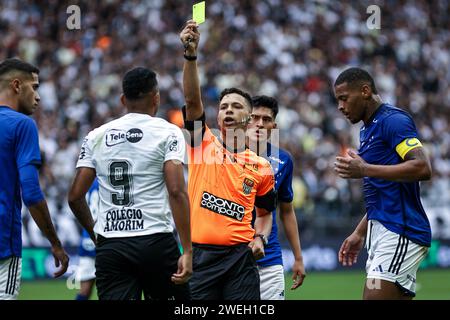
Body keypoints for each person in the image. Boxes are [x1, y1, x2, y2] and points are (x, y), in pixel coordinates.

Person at [68, 67, 192, 300]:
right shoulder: (168, 132)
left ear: (123, 99)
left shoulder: (97, 135)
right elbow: (176, 191)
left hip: (112, 245)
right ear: (156, 98)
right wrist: (187, 249)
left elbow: (74, 196)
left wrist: (96, 233)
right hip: (155, 240)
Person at [180, 21, 276, 300]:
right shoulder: (201, 143)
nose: (229, 111)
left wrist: (260, 238)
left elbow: (266, 214)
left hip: (240, 261)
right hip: (201, 258)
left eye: (236, 106)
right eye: (224, 107)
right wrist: (190, 56)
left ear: (248, 117)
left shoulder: (262, 167)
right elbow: (191, 99)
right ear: (218, 117)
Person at [333, 67, 432, 300]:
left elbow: (422, 167)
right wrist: (359, 232)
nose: (340, 106)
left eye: (344, 98)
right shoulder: (367, 130)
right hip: (382, 229)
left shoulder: (393, 121)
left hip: (400, 229)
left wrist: (364, 169)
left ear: (365, 91)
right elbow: (383, 192)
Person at [0, 58, 69, 300]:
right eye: (35, 87)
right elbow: (30, 192)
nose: (38, 97)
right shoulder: (22, 125)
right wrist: (55, 243)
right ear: (17, 85)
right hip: (3, 245)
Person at [247, 95, 306, 300]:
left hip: (269, 256)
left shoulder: (283, 160)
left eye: (266, 119)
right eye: (254, 117)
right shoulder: (226, 154)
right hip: (233, 255)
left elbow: (287, 212)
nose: (259, 124)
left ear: (274, 125)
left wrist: (298, 258)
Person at [74, 178, 99, 300]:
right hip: (105, 237)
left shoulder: (87, 182)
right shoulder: (107, 178)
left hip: (87, 239)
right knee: (114, 287)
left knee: (84, 291)